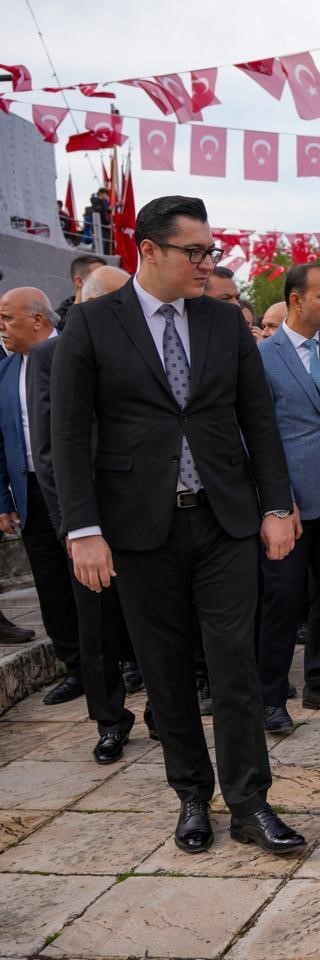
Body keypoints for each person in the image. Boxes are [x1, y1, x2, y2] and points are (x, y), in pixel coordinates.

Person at [52, 194, 305, 855]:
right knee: (164, 671)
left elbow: (260, 422)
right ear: (151, 251)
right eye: (194, 252)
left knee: (235, 667)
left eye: (210, 250)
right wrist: (83, 529)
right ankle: (192, 796)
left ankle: (250, 801)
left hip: (224, 521)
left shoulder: (223, 324)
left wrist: (277, 506)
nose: (207, 262)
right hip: (138, 530)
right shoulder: (95, 324)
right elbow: (70, 433)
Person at [26, 268, 139, 761]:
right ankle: (110, 720)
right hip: (87, 516)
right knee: (94, 628)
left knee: (153, 620)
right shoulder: (51, 354)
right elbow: (50, 450)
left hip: (142, 510)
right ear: (87, 300)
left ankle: (163, 711)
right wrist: (73, 527)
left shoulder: (141, 344)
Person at [256, 262, 320, 734]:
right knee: (282, 600)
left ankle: (319, 681)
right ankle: (271, 696)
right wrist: (277, 501)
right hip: (289, 502)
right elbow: (257, 436)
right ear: (296, 300)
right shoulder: (263, 356)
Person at [0, 288, 83, 705]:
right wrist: (3, 501)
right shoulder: (6, 369)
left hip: (76, 485)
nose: (1, 328)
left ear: (37, 319)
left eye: (7, 319)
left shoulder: (75, 352)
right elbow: (1, 440)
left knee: (93, 580)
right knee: (51, 585)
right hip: (31, 490)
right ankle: (76, 667)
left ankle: (123, 661)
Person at [54, 254, 107, 326]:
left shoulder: (112, 315)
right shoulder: (57, 324)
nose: (106, 282)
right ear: (79, 282)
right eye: (100, 278)